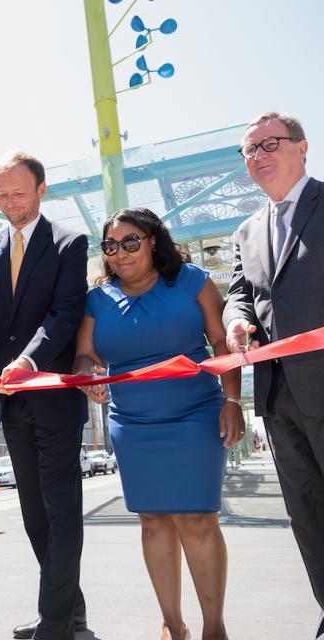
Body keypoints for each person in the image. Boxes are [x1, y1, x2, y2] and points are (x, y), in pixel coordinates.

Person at [74, 208, 243, 640]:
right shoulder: (97, 300)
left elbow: (221, 342)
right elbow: (85, 355)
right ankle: (172, 624)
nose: (121, 253)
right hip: (131, 422)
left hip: (194, 415)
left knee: (197, 519)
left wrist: (232, 400)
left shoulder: (193, 281)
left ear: (153, 241)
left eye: (131, 242)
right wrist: (89, 374)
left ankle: (214, 627)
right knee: (152, 520)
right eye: (111, 246)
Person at [0, 152, 89, 640]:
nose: (9, 203)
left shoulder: (69, 242)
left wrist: (31, 359)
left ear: (41, 190)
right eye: (1, 195)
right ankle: (69, 607)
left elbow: (65, 312)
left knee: (61, 509)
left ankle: (54, 623)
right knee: (34, 513)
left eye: (18, 192)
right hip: (9, 399)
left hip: (53, 395)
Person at [223, 112, 324, 640]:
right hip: (280, 399)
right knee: (307, 516)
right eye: (248, 150)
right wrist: (237, 319)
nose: (258, 155)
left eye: (270, 143)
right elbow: (241, 292)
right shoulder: (247, 230)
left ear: (302, 148)